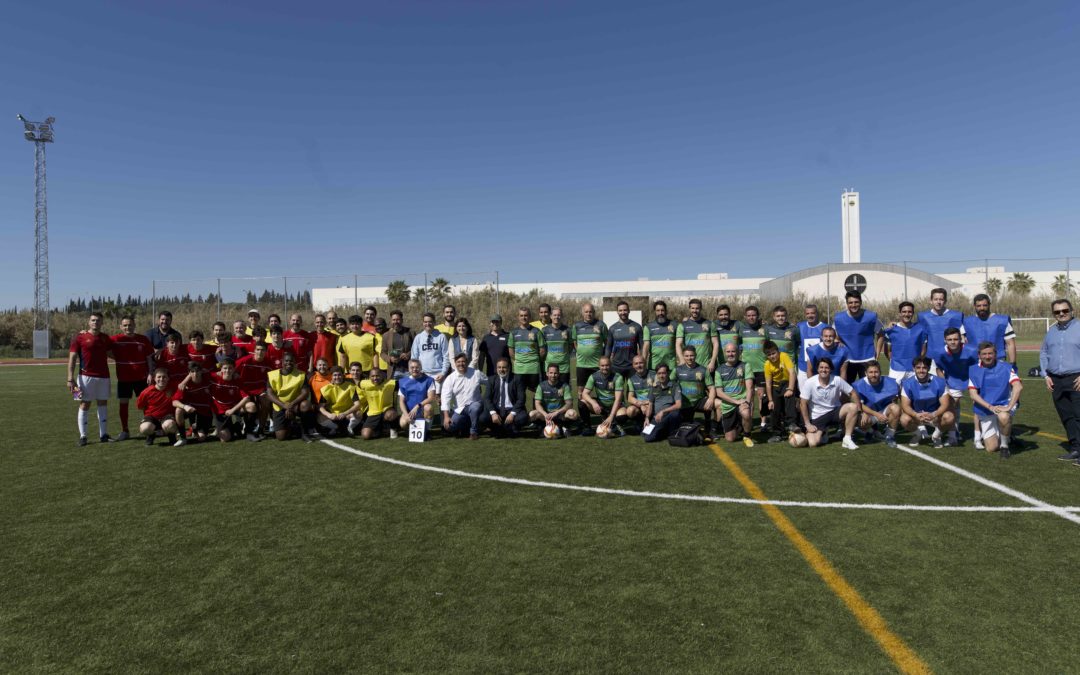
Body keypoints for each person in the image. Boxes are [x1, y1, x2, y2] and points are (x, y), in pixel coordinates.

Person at [1040, 299, 1080, 463]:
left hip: (1076, 378)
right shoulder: (1051, 332)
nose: (1061, 314)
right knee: (1067, 416)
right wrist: (1045, 375)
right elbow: (1044, 352)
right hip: (1056, 380)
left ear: (1072, 310)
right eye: (1057, 312)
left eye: (1064, 310)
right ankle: (1076, 448)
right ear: (1053, 314)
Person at [968, 341, 1023, 458]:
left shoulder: (1006, 367)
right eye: (984, 354)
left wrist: (1009, 406)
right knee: (991, 448)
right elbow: (973, 395)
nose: (987, 356)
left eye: (990, 353)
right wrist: (990, 407)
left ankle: (1004, 446)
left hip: (1003, 404)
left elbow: (1018, 387)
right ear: (979, 355)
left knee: (1004, 416)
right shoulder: (974, 370)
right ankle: (1008, 436)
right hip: (986, 409)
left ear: (995, 354)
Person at [68, 311, 115, 446]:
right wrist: (70, 379)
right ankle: (83, 437)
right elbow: (72, 358)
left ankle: (103, 435)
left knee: (103, 404)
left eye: (98, 320)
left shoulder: (106, 338)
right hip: (84, 377)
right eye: (93, 320)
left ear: (102, 323)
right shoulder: (79, 337)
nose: (95, 322)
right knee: (83, 404)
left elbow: (112, 354)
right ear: (89, 322)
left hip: (104, 377)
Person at [795, 358, 861, 450]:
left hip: (835, 412)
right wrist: (807, 424)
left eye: (826, 368)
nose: (824, 370)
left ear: (831, 369)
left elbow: (853, 393)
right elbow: (803, 403)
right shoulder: (810, 382)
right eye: (821, 367)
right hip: (817, 417)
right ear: (817, 369)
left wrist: (859, 410)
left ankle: (847, 439)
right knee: (813, 443)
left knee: (853, 407)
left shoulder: (837, 379)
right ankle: (823, 433)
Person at [110, 315, 155, 441]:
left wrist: (151, 373)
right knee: (123, 403)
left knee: (146, 404)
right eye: (125, 325)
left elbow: (149, 358)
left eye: (130, 325)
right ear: (120, 327)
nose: (127, 327)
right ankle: (125, 430)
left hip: (142, 378)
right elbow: (102, 345)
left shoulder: (143, 339)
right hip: (124, 378)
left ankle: (150, 428)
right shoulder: (115, 339)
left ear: (134, 325)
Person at [934, 327, 979, 447]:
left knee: (979, 404)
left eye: (955, 339)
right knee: (952, 404)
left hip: (971, 378)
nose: (953, 342)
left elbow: (978, 368)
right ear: (945, 340)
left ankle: (979, 435)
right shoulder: (939, 352)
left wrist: (977, 385)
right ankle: (953, 435)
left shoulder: (972, 350)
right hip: (952, 380)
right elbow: (938, 368)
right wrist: (944, 385)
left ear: (961, 339)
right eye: (949, 339)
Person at [900, 356, 956, 449]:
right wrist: (916, 415)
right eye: (918, 368)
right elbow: (905, 406)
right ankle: (917, 435)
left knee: (949, 417)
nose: (921, 370)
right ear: (913, 368)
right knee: (904, 419)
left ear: (929, 368)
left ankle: (936, 436)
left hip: (935, 416)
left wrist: (933, 414)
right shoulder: (907, 383)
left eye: (924, 367)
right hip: (917, 417)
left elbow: (945, 404)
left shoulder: (940, 382)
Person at [833, 290, 884, 383]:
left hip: (867, 358)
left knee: (869, 389)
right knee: (845, 389)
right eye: (850, 302)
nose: (853, 305)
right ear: (847, 303)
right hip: (847, 358)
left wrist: (877, 352)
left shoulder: (871, 316)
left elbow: (881, 334)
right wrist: (837, 340)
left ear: (861, 302)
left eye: (856, 302)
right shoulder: (838, 318)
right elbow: (833, 335)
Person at [266, 352, 319, 441]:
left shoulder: (301, 375)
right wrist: (284, 406)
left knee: (305, 404)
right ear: (282, 362)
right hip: (280, 406)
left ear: (294, 362)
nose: (288, 363)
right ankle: (294, 424)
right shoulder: (272, 375)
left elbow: (305, 392)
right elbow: (270, 394)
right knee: (281, 437)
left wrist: (291, 405)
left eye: (291, 361)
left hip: (295, 405)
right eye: (286, 361)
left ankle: (304, 432)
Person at [713, 342, 754, 446]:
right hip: (728, 405)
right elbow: (719, 393)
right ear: (724, 353)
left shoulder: (745, 366)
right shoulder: (719, 370)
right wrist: (735, 401)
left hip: (742, 401)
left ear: (738, 353)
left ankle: (747, 435)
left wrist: (747, 402)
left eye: (733, 351)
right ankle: (740, 425)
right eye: (728, 351)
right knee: (730, 439)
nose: (730, 354)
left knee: (746, 413)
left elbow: (750, 388)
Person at [852, 361, 901, 448]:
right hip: (869, 412)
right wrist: (877, 415)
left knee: (896, 408)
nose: (873, 375)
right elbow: (860, 404)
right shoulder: (858, 385)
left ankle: (889, 435)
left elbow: (896, 399)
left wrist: (892, 415)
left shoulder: (890, 382)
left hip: (884, 409)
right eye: (870, 372)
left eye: (876, 372)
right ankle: (869, 431)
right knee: (860, 419)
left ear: (880, 372)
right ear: (865, 373)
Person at [208, 357, 256, 443]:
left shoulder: (237, 379)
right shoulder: (213, 377)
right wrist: (184, 383)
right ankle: (236, 426)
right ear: (221, 369)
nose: (227, 370)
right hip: (219, 410)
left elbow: (246, 397)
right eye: (225, 368)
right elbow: (197, 373)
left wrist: (232, 410)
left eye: (230, 368)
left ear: (234, 369)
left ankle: (249, 432)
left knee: (251, 406)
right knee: (225, 439)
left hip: (233, 407)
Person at [735, 306, 767, 430]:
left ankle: (763, 423)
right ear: (745, 317)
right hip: (746, 369)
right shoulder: (741, 329)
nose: (751, 317)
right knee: (749, 396)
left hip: (762, 368)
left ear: (758, 316)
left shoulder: (765, 329)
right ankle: (750, 422)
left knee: (761, 396)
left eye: (753, 315)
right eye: (748, 315)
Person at [963, 294, 1016, 368]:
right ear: (974, 306)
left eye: (985, 305)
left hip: (998, 362)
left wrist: (1012, 364)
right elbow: (962, 344)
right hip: (975, 363)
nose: (982, 308)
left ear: (989, 305)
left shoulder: (1002, 321)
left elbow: (1010, 344)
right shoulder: (966, 322)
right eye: (979, 306)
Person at [580, 356, 628, 436]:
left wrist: (611, 416)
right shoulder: (594, 376)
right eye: (602, 365)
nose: (605, 367)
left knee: (623, 414)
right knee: (582, 403)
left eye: (607, 365)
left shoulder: (618, 377)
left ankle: (613, 425)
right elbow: (584, 394)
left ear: (611, 365)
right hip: (601, 406)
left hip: (615, 406)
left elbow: (618, 400)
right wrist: (594, 403)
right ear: (599, 366)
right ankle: (587, 428)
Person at [674, 346, 715, 439]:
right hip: (685, 403)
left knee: (714, 404)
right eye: (687, 356)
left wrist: (711, 399)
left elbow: (711, 387)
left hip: (699, 401)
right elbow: (670, 383)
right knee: (686, 427)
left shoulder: (703, 370)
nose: (689, 358)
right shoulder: (678, 370)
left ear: (696, 355)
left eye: (691, 355)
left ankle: (710, 430)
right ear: (683, 357)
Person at [441, 352, 485, 439]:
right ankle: (466, 427)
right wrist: (446, 417)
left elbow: (490, 383)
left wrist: (487, 398)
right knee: (449, 427)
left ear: (467, 362)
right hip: (460, 409)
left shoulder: (476, 373)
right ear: (455, 363)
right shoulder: (450, 378)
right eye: (458, 362)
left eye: (463, 361)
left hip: (475, 404)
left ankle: (473, 432)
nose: (461, 364)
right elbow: (445, 398)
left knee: (474, 408)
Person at [235, 341, 273, 439]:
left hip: (260, 390)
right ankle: (247, 428)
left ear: (266, 351)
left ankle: (261, 428)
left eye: (262, 350)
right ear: (254, 350)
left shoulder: (268, 363)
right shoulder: (244, 361)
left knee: (266, 401)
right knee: (250, 407)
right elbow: (230, 370)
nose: (260, 352)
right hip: (245, 391)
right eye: (258, 350)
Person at [883, 301, 928, 384]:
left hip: (914, 369)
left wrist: (917, 364)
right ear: (900, 313)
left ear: (913, 313)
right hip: (896, 369)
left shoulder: (921, 329)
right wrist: (896, 361)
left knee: (914, 395)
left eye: (909, 312)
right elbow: (887, 351)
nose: (907, 314)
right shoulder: (891, 330)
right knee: (895, 395)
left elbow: (923, 350)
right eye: (904, 312)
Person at [762, 340, 798, 443]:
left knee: (789, 396)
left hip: (787, 383)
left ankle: (791, 423)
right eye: (769, 355)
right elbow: (768, 384)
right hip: (775, 386)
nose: (772, 356)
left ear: (778, 351)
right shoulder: (767, 364)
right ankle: (777, 434)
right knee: (774, 408)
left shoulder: (784, 356)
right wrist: (770, 400)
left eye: (773, 353)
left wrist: (790, 389)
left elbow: (792, 373)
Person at [530, 363, 580, 437]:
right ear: (547, 373)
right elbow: (537, 403)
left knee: (573, 414)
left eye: (555, 373)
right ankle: (545, 427)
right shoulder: (541, 386)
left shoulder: (564, 386)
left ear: (558, 374)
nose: (553, 375)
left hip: (560, 414)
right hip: (546, 415)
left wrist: (557, 412)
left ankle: (564, 426)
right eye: (551, 373)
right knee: (532, 414)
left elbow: (569, 404)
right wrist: (545, 414)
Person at [918, 288, 964, 366]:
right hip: (931, 358)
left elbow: (963, 339)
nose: (938, 302)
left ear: (945, 301)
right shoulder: (923, 317)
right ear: (931, 300)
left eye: (941, 299)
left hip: (951, 357)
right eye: (935, 299)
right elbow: (921, 338)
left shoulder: (956, 316)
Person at [484, 357, 529, 437]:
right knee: (482, 418)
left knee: (523, 417)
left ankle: (511, 428)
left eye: (504, 367)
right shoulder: (491, 380)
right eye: (499, 367)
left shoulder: (517, 379)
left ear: (509, 368)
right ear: (496, 368)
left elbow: (521, 399)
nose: (501, 370)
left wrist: (512, 413)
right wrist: (493, 413)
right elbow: (487, 398)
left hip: (511, 409)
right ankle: (499, 428)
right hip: (497, 410)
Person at [136, 368, 181, 447]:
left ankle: (171, 436)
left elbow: (183, 385)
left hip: (167, 417)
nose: (161, 379)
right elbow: (140, 407)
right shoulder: (146, 392)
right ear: (154, 378)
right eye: (159, 377)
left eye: (164, 377)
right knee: (144, 428)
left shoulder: (173, 387)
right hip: (152, 417)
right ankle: (151, 435)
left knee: (169, 424)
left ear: (168, 378)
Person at [572, 303, 608, 398]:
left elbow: (607, 342)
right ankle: (583, 411)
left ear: (594, 312)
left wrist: (606, 357)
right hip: (581, 364)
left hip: (597, 365)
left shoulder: (601, 325)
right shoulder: (577, 326)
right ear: (582, 313)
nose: (588, 314)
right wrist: (581, 352)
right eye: (586, 312)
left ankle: (603, 409)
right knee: (581, 392)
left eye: (591, 312)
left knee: (602, 390)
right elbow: (575, 343)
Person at [508, 307, 546, 398]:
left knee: (536, 394)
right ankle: (521, 412)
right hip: (519, 369)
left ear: (529, 317)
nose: (524, 318)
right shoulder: (514, 332)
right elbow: (511, 351)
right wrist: (520, 360)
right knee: (519, 394)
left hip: (533, 368)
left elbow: (542, 350)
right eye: (521, 315)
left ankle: (535, 412)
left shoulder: (536, 331)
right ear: (518, 317)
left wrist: (535, 360)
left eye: (526, 315)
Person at [172, 361, 213, 444]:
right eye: (192, 372)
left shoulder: (208, 378)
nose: (195, 374)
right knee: (178, 410)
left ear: (201, 371)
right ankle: (183, 438)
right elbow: (174, 402)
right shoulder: (184, 385)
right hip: (192, 410)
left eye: (197, 371)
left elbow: (219, 374)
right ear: (189, 373)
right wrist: (185, 407)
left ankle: (194, 430)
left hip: (205, 413)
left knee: (201, 438)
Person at [317, 366, 364, 437]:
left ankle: (350, 427)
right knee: (319, 417)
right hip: (334, 415)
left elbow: (357, 404)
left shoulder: (350, 386)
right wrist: (329, 415)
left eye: (339, 375)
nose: (337, 377)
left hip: (347, 415)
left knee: (358, 413)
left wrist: (345, 413)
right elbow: (320, 407)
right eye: (335, 375)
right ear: (331, 376)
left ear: (343, 375)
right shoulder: (326, 389)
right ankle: (335, 428)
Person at [675, 299, 719, 375]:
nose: (695, 310)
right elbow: (678, 344)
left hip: (706, 365)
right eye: (692, 308)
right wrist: (682, 360)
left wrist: (712, 361)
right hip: (689, 365)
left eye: (697, 308)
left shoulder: (710, 324)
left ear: (701, 309)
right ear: (689, 309)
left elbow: (715, 343)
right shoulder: (682, 325)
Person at [411, 313, 450, 393]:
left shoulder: (441, 337)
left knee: (440, 401)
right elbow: (414, 357)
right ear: (423, 323)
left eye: (430, 322)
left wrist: (443, 373)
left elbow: (446, 356)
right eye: (425, 322)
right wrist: (416, 372)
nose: (427, 324)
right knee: (424, 402)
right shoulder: (418, 337)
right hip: (422, 374)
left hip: (438, 374)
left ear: (434, 322)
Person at [642, 364, 682, 443]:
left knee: (675, 414)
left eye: (664, 373)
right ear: (656, 375)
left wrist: (663, 411)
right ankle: (664, 431)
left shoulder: (675, 386)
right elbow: (650, 404)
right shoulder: (654, 388)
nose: (661, 376)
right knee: (646, 437)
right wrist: (647, 418)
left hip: (668, 416)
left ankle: (670, 432)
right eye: (659, 373)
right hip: (656, 418)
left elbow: (678, 405)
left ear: (668, 373)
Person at [397, 359, 437, 435]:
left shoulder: (428, 380)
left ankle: (427, 431)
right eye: (412, 367)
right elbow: (401, 401)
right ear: (408, 369)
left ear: (421, 368)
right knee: (402, 423)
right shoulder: (403, 382)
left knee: (428, 408)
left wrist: (418, 406)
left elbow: (431, 398)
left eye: (417, 367)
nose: (415, 369)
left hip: (422, 409)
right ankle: (412, 430)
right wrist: (406, 415)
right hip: (409, 411)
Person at [359, 367, 399, 440]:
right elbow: (354, 382)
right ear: (369, 377)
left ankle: (393, 428)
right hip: (373, 413)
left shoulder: (391, 383)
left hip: (386, 410)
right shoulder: (363, 383)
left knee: (391, 414)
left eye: (377, 376)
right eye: (372, 376)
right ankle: (380, 430)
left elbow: (405, 383)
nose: (375, 378)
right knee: (365, 435)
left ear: (382, 376)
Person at [606, 300, 643, 379]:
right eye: (620, 310)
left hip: (633, 366)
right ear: (617, 312)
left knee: (632, 391)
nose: (623, 312)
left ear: (629, 311)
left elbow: (642, 346)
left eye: (625, 310)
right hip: (616, 366)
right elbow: (608, 347)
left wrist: (642, 361)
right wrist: (606, 362)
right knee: (618, 390)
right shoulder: (612, 328)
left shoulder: (637, 327)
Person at [796, 304, 826, 388]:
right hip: (803, 367)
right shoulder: (800, 326)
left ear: (817, 313)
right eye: (808, 313)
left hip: (820, 367)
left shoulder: (825, 327)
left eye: (812, 313)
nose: (810, 315)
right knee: (804, 394)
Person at [541, 307, 572, 387]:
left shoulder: (568, 330)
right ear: (551, 316)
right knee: (548, 390)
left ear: (561, 316)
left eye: (559, 315)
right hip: (549, 367)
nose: (556, 317)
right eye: (554, 315)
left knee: (563, 391)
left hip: (564, 367)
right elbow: (542, 349)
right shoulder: (544, 330)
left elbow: (571, 346)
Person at [643, 300, 677, 374]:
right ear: (655, 311)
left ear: (666, 311)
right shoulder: (648, 327)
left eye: (662, 310)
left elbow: (679, 344)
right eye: (658, 310)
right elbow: (646, 346)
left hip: (671, 366)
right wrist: (643, 362)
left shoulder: (675, 325)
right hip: (654, 366)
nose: (660, 313)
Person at [764, 305, 801, 372]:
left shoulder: (794, 329)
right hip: (774, 366)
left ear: (786, 316)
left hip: (790, 367)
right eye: (778, 316)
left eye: (782, 315)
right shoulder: (769, 329)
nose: (780, 318)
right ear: (774, 317)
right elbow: (767, 345)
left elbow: (798, 343)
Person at [381, 310, 415, 380]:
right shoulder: (386, 335)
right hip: (394, 371)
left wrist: (408, 355)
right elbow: (382, 353)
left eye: (398, 319)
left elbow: (416, 348)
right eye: (394, 320)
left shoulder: (410, 332)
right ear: (390, 320)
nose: (396, 322)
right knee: (394, 390)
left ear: (402, 320)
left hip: (408, 370)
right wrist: (390, 359)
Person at [625, 355, 655, 431]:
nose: (639, 365)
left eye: (641, 363)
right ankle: (638, 422)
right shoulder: (631, 379)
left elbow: (659, 393)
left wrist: (648, 403)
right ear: (633, 365)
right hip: (640, 406)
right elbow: (630, 398)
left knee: (650, 432)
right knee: (630, 411)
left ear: (645, 363)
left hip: (652, 404)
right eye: (636, 363)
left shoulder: (654, 375)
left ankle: (651, 422)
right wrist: (641, 404)